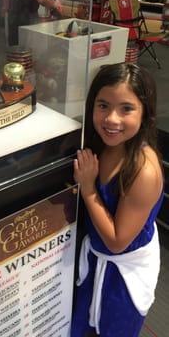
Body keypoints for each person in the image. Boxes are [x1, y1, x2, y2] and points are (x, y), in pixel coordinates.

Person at [71, 63, 164, 337]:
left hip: (123, 278)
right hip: (95, 261)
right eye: (103, 105)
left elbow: (116, 241)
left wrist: (88, 188)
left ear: (145, 112)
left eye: (126, 108)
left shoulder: (143, 170)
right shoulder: (103, 143)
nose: (112, 119)